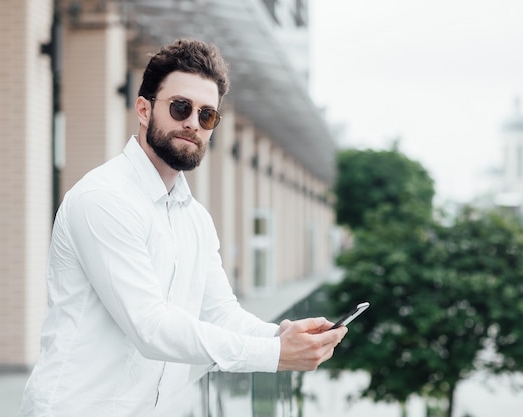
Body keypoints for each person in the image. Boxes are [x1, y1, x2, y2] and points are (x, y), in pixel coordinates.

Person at [19, 38, 347, 417]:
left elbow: (221, 313)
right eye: (180, 108)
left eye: (207, 115)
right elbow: (150, 327)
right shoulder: (103, 199)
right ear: (143, 109)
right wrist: (274, 354)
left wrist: (281, 336)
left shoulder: (195, 219)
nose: (192, 123)